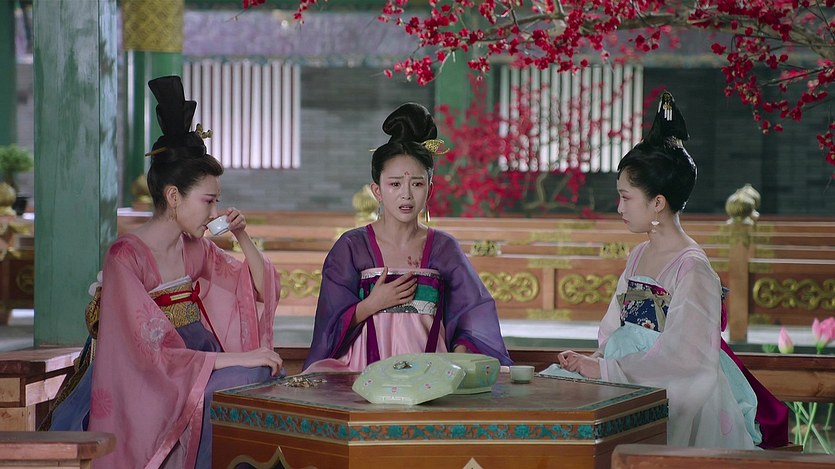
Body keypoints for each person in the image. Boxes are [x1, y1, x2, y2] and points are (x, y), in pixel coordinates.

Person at [50, 75, 284, 469]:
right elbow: (147, 352)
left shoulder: (195, 248)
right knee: (243, 380)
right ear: (173, 195)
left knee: (263, 372)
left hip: (196, 363)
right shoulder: (126, 256)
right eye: (208, 201)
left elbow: (260, 289)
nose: (214, 212)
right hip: (147, 378)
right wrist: (236, 359)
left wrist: (243, 237)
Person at [556, 91, 788, 449]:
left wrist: (606, 369)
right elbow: (615, 327)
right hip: (626, 375)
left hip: (675, 389)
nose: (619, 208)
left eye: (626, 197)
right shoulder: (638, 255)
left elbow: (686, 357)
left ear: (658, 203)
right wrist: (596, 360)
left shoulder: (692, 268)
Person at [304, 103, 512, 372]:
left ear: (430, 190)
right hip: (362, 373)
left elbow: (472, 315)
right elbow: (328, 324)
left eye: (417, 184)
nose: (406, 194)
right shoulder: (352, 247)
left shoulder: (444, 248)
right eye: (395, 184)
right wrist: (371, 305)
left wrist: (459, 360)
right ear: (377, 191)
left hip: (432, 374)